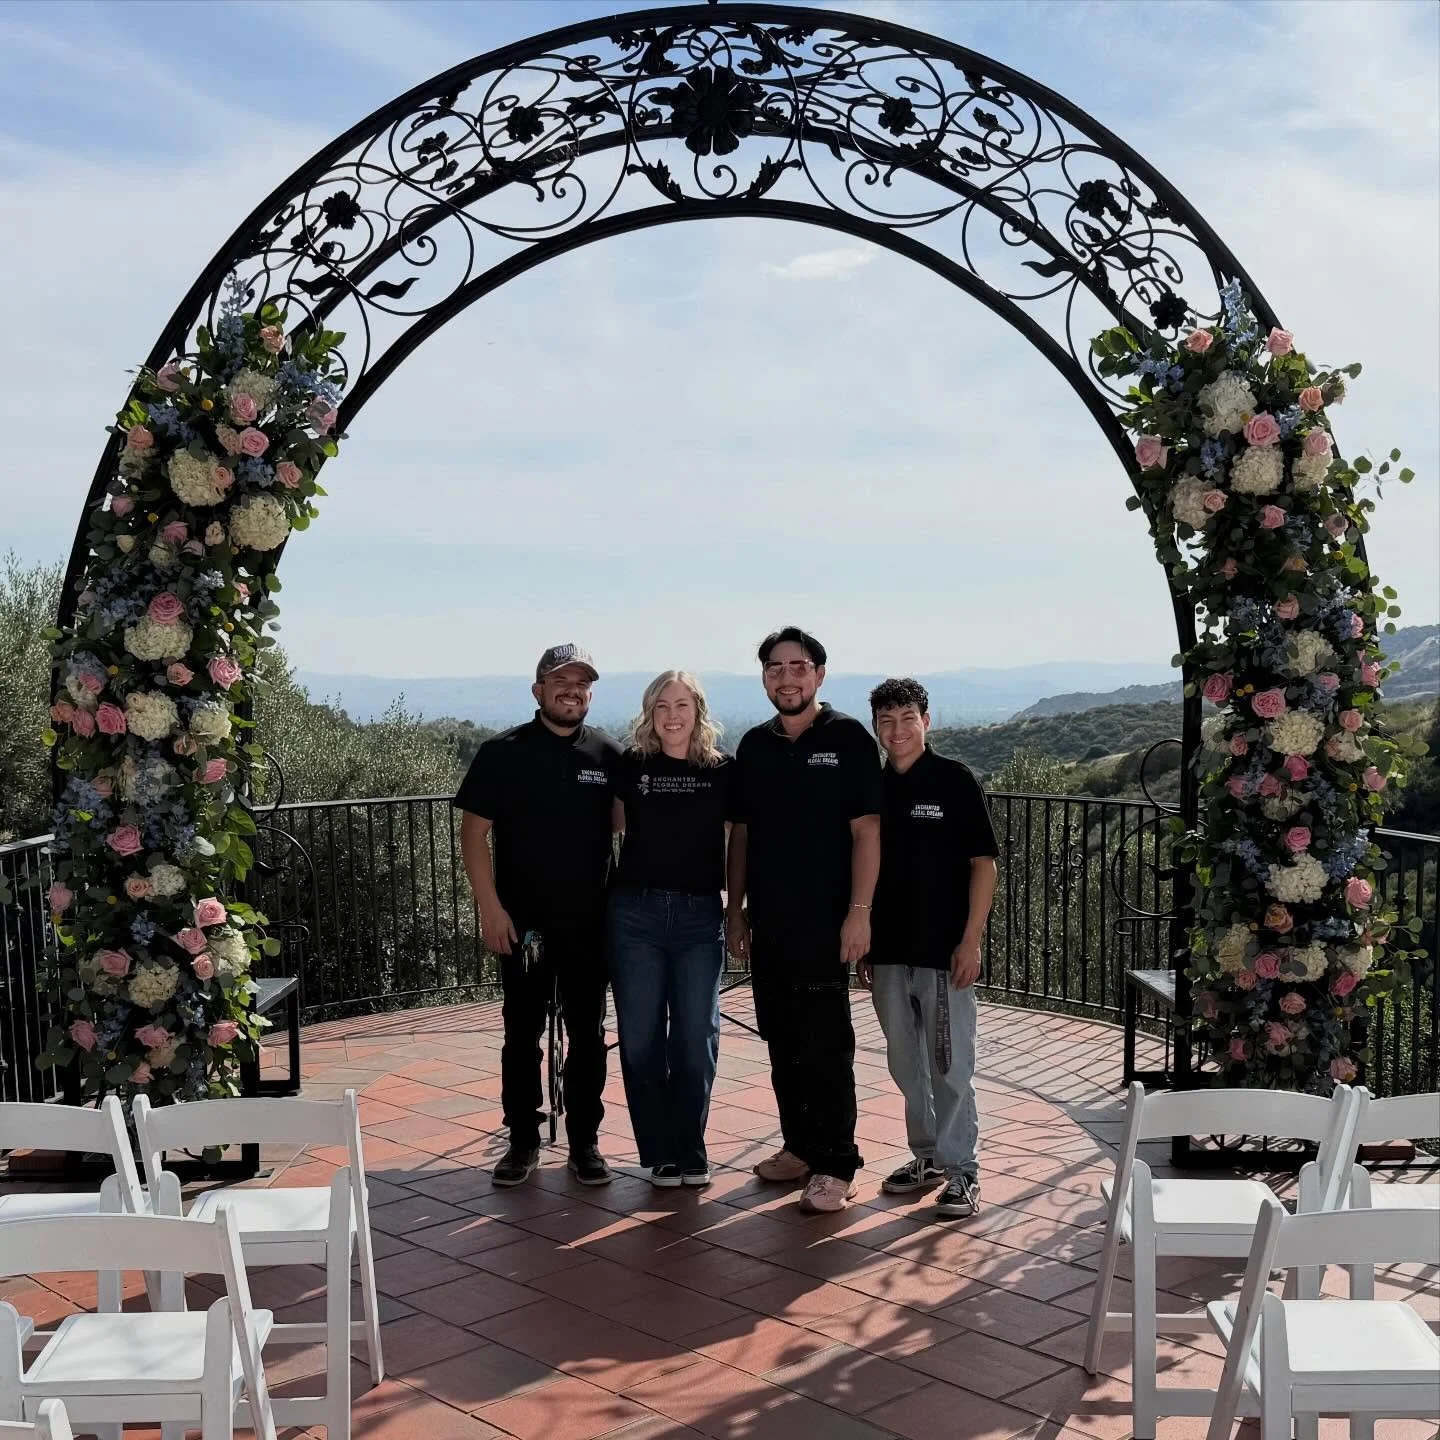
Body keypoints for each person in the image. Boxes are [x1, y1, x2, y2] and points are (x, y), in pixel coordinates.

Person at [454, 643, 623, 1188]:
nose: (571, 691)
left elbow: (630, 827)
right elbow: (473, 834)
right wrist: (490, 908)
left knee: (588, 1033)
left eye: (581, 684)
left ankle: (585, 1142)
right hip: (521, 922)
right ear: (538, 691)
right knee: (521, 1032)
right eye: (560, 682)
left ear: (589, 693)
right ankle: (522, 1140)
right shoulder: (503, 752)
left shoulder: (608, 754)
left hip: (590, 923)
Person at [726, 626, 881, 1214]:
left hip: (827, 922)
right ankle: (799, 1146)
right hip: (769, 921)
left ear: (819, 674)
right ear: (765, 677)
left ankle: (837, 1161)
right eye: (775, 668)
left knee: (825, 1044)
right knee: (782, 1040)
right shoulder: (755, 746)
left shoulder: (847, 739)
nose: (786, 677)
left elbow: (867, 831)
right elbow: (740, 834)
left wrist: (860, 913)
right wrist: (735, 911)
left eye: (798, 666)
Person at [858, 677, 999, 1219]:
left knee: (949, 1063)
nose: (897, 730)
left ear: (927, 721)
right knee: (904, 1063)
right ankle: (928, 1158)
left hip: (944, 951)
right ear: (876, 726)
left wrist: (971, 941)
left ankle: (963, 1170)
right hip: (888, 950)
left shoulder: (954, 780)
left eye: (907, 718)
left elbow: (983, 867)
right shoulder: (872, 787)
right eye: (886, 720)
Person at [609, 671, 736, 1188]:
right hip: (634, 915)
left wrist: (738, 905)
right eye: (662, 705)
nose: (672, 714)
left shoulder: (723, 770)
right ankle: (659, 1151)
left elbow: (742, 838)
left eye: (682, 704)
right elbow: (609, 826)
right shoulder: (632, 765)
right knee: (639, 1040)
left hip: (699, 916)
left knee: (695, 1036)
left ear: (698, 711)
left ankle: (691, 1147)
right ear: (650, 712)